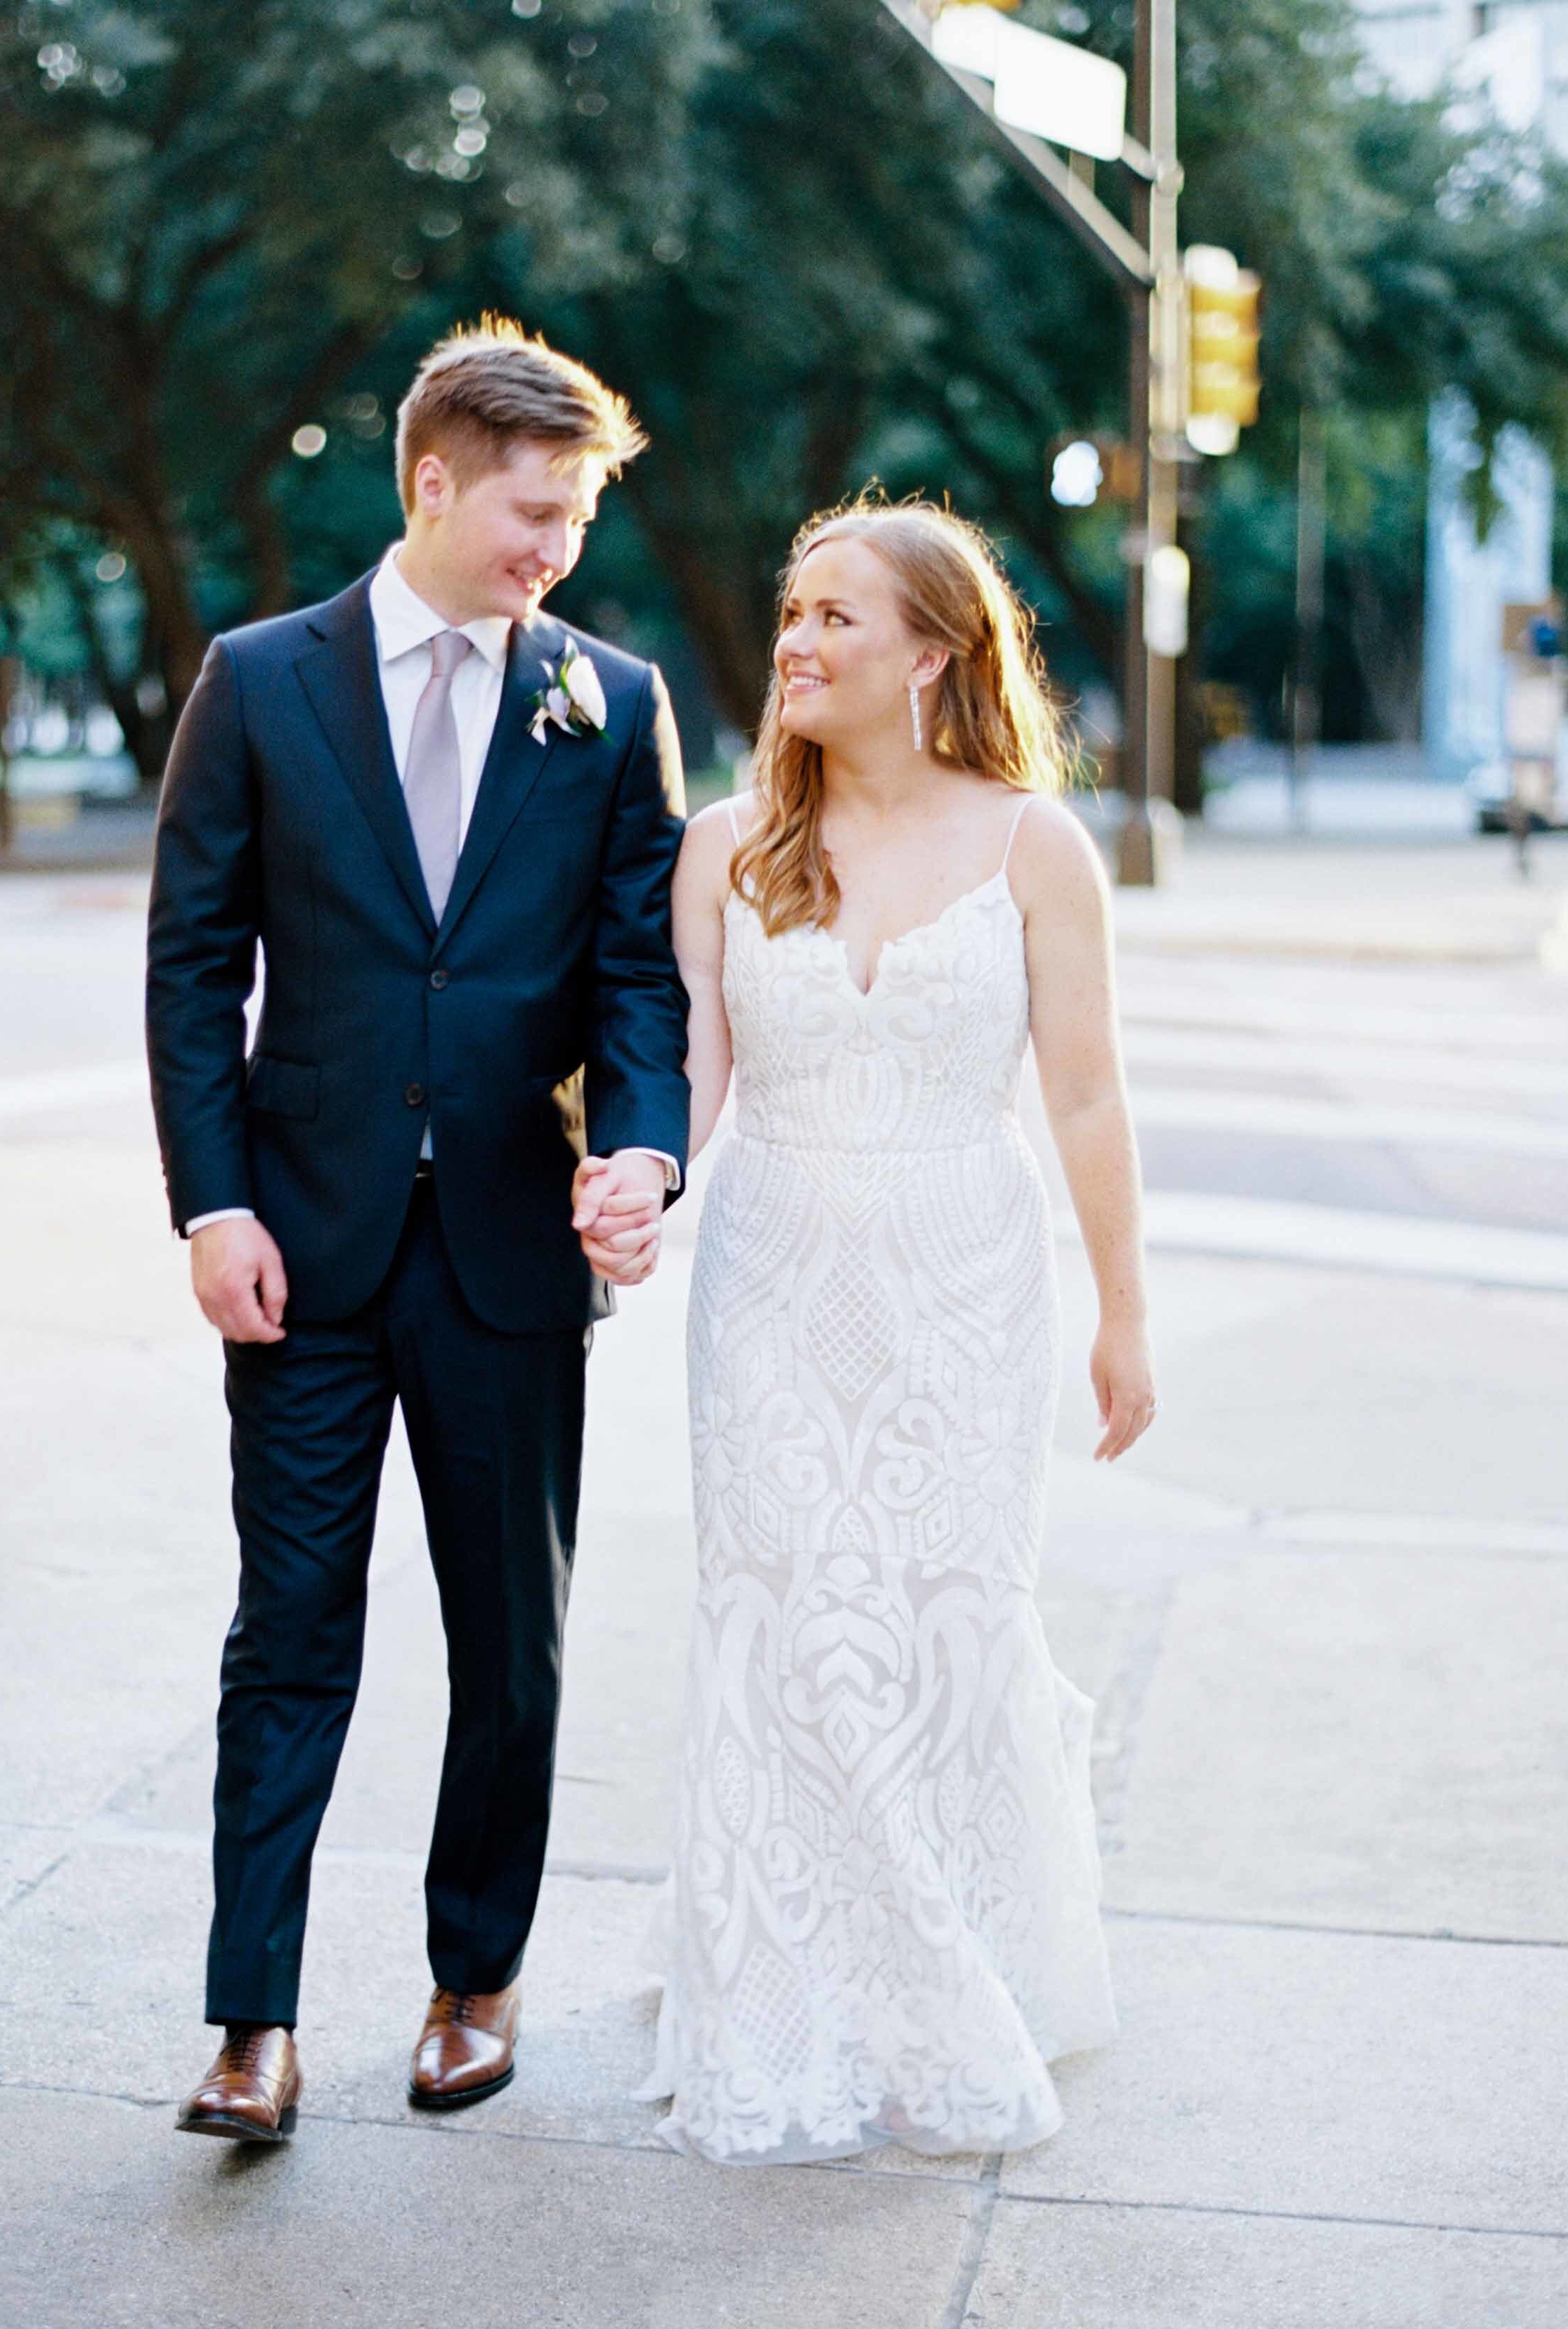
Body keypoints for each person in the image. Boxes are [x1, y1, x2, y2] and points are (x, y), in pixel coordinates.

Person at [147, 318, 685, 2143]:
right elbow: (194, 962)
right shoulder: (260, 679)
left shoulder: (610, 704)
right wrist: (211, 1198)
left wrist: (646, 1153)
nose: (557, 548)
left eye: (581, 521)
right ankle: (251, 2023)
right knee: (288, 1624)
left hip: (515, 1258)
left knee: (509, 1639)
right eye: (537, 510)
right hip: (302, 1245)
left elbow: (637, 978)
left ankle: (476, 1975)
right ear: (434, 481)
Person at [631, 498, 1155, 2164]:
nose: (796, 641)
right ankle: (786, 1981)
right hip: (773, 1276)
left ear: (933, 651)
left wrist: (1124, 1314)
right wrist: (646, 1175)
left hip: (962, 1283)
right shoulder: (725, 842)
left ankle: (958, 1960)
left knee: (944, 1615)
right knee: (783, 1622)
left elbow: (1083, 1093)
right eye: (792, 611)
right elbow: (699, 1059)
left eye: (837, 618)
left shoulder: (1031, 848)